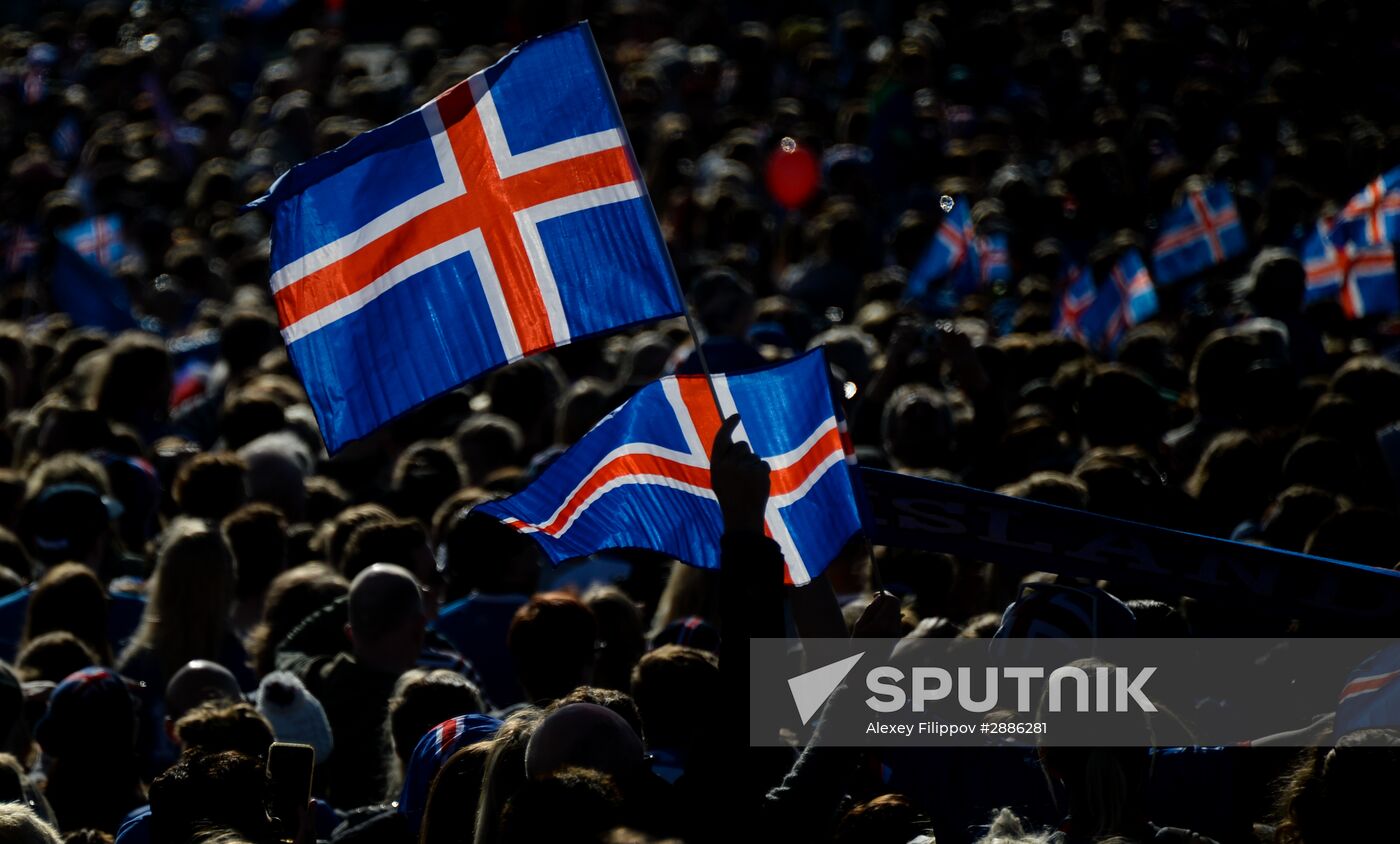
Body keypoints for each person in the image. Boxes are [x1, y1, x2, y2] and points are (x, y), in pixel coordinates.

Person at [276, 564, 428, 809]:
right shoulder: (425, 706)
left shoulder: (315, 682)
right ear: (419, 629)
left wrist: (358, 602)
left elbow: (289, 648)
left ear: (349, 632)